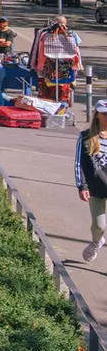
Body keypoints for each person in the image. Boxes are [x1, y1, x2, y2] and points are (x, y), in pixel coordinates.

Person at [77, 99, 107, 263]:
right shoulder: (85, 137)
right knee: (99, 226)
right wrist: (82, 186)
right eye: (104, 114)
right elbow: (79, 163)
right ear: (97, 115)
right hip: (96, 188)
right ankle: (96, 242)